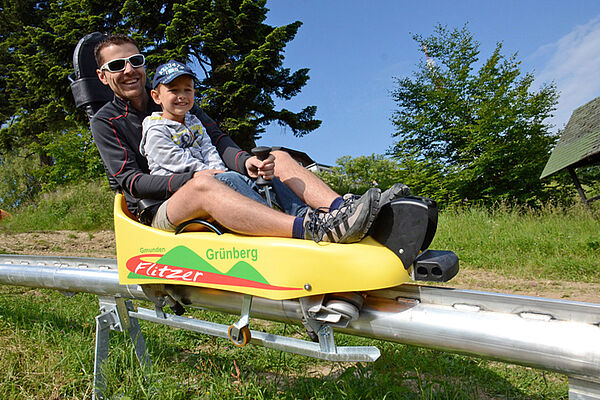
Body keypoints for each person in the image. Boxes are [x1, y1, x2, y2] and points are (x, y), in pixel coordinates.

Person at [90, 34, 397, 243]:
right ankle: (309, 229)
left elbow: (219, 142)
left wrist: (247, 161)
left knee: (277, 157)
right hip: (159, 209)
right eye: (117, 66)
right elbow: (131, 182)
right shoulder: (106, 121)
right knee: (204, 185)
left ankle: (342, 211)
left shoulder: (181, 101)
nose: (129, 70)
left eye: (136, 61)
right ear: (103, 76)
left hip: (207, 179)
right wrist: (193, 178)